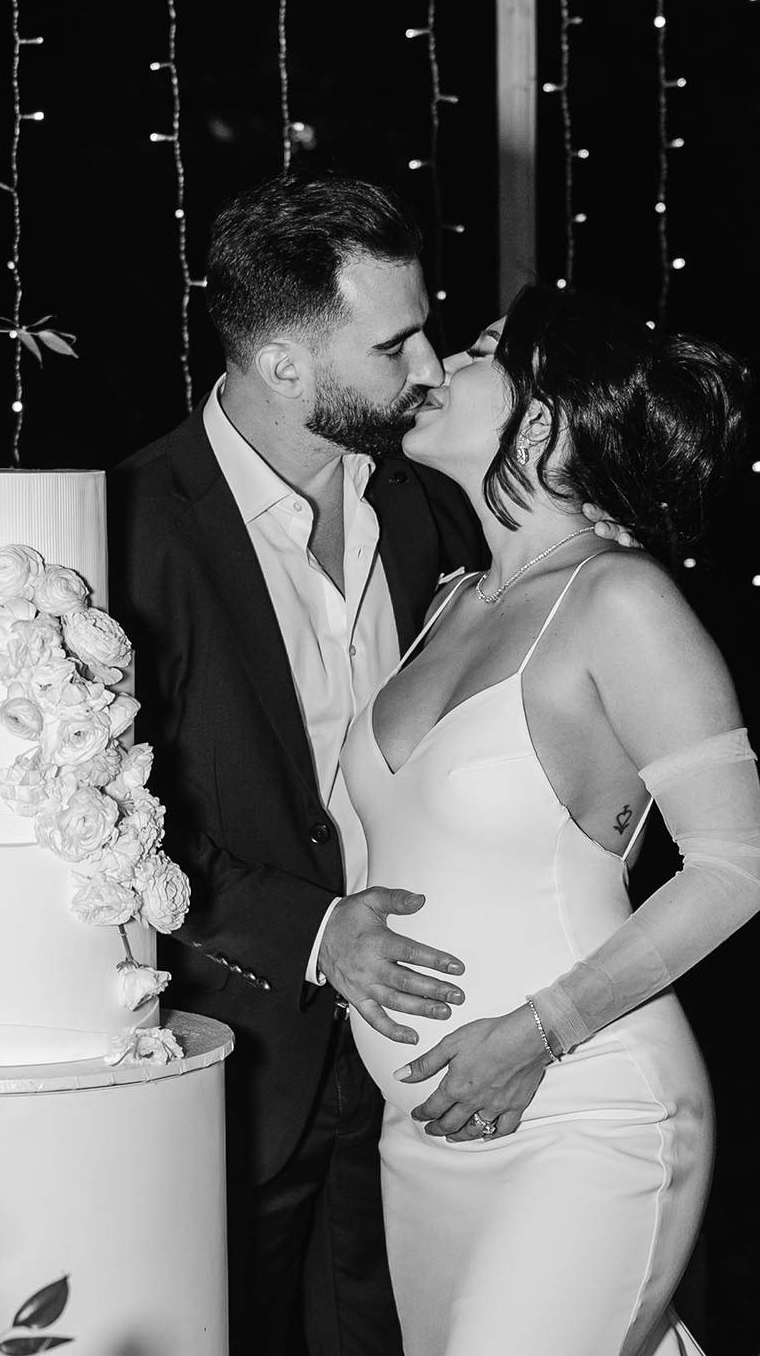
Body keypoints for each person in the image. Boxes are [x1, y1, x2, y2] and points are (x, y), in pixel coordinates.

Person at [110, 171, 488, 1355]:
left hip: (421, 1057)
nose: (427, 365)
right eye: (394, 342)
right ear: (283, 363)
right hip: (237, 1059)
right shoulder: (128, 530)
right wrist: (316, 932)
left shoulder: (424, 511)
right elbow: (109, 824)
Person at [341, 284, 759, 1356]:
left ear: (544, 413)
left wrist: (538, 1032)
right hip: (423, 1137)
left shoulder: (617, 599)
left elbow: (733, 866)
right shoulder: (443, 602)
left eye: (478, 350)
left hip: (584, 1106)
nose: (433, 366)